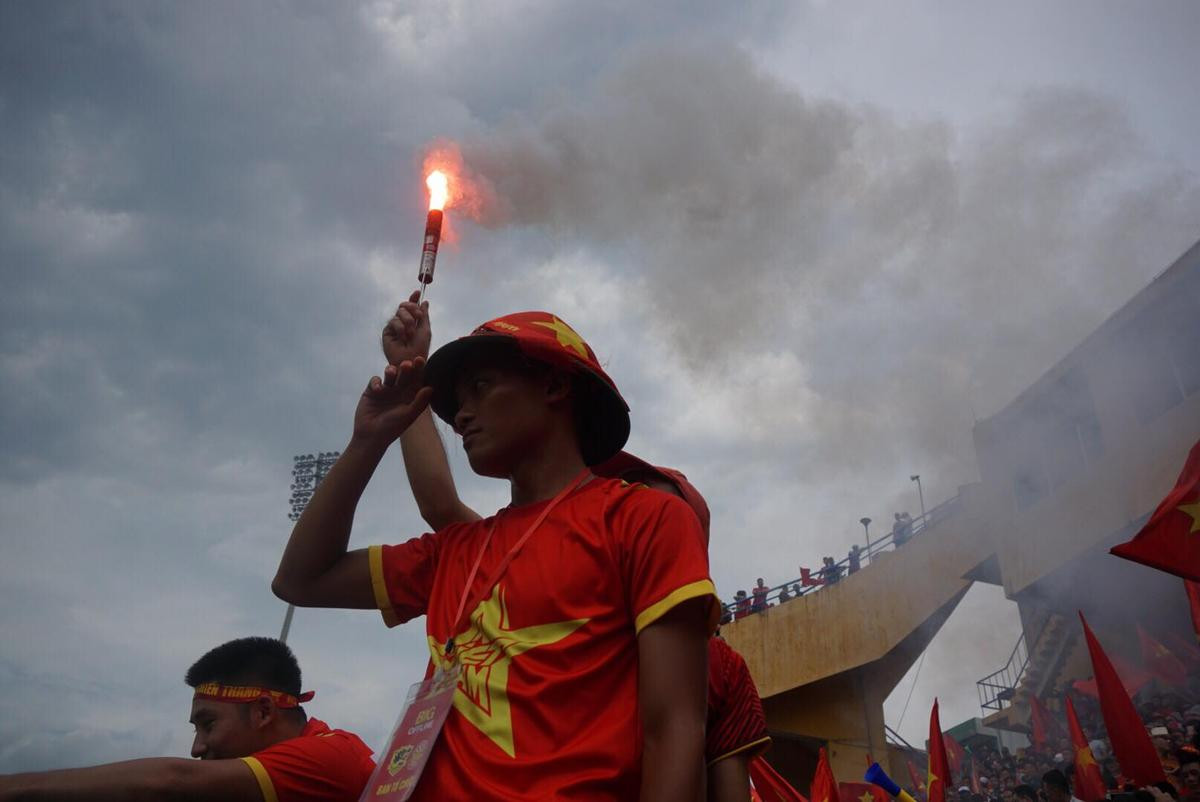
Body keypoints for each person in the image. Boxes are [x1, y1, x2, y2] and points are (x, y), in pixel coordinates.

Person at [273, 303, 716, 801]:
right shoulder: (453, 550)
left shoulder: (643, 518)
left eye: (481, 387)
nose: (461, 416)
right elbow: (300, 580)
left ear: (553, 386)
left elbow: (674, 726)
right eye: (456, 400)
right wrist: (368, 441)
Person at [377, 297, 764, 802]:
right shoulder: (518, 556)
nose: (608, 504)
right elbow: (442, 506)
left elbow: (699, 759)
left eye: (633, 498)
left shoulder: (723, 667)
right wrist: (410, 385)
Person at [0, 637, 375, 801]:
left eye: (208, 724)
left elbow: (171, 782)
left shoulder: (331, 757)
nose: (197, 748)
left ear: (262, 711)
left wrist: (16, 790)